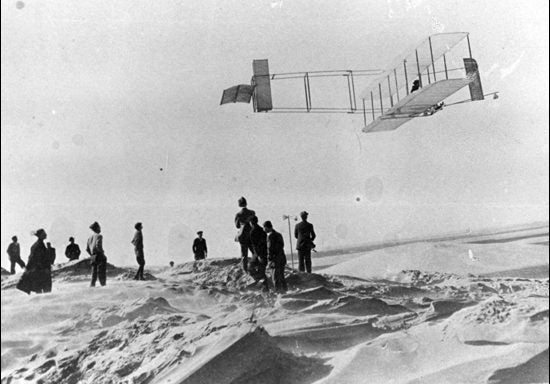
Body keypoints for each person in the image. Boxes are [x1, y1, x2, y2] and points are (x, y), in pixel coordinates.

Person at [16, 229, 54, 294]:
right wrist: (44, 268)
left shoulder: (38, 244)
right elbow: (35, 258)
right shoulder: (38, 245)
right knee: (44, 289)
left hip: (39, 270)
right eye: (44, 233)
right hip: (41, 270)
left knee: (39, 289)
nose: (46, 234)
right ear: (40, 235)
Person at [264, 220, 287, 293]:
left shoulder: (270, 237)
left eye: (264, 228)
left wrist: (269, 260)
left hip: (275, 260)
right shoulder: (279, 234)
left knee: (275, 277)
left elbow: (269, 249)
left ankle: (278, 292)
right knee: (281, 276)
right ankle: (285, 290)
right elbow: (282, 246)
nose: (264, 230)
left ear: (267, 227)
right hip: (282, 258)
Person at [234, 196, 256, 272]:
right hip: (252, 234)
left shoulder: (238, 214)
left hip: (243, 235)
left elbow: (237, 226)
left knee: (244, 254)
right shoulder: (252, 212)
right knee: (254, 252)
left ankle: (245, 269)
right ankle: (255, 266)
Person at [249, 216, 269, 291]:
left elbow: (254, 245)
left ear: (251, 222)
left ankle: (263, 286)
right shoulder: (262, 230)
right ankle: (263, 285)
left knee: (251, 267)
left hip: (258, 253)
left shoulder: (252, 231)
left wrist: (257, 255)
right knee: (262, 271)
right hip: (263, 253)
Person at [86, 221, 107, 287]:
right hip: (99, 255)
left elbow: (87, 249)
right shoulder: (99, 236)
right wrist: (102, 252)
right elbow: (98, 245)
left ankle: (92, 285)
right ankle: (103, 285)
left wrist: (92, 254)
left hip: (93, 256)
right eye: (99, 227)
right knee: (101, 271)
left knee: (94, 273)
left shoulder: (89, 238)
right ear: (97, 228)